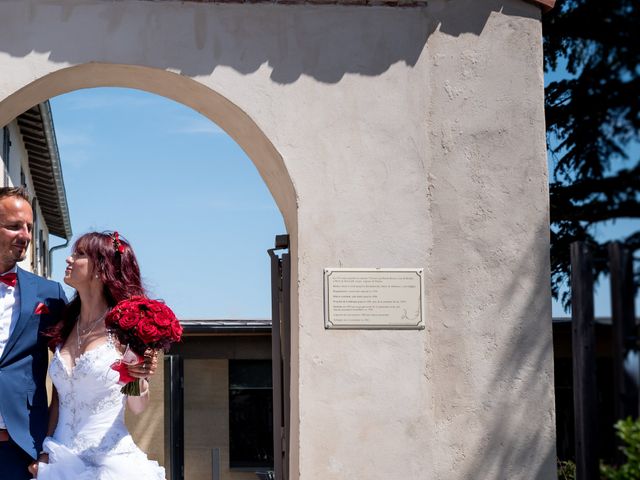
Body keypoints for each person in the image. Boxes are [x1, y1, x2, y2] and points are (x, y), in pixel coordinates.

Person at [31, 231, 163, 479]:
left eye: (79, 254)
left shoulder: (125, 330)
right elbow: (58, 400)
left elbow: (137, 407)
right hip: (60, 461)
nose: (69, 260)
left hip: (109, 463)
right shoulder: (66, 323)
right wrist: (45, 451)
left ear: (102, 270)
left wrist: (138, 375)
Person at [0, 186, 67, 480]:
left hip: (22, 447)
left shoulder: (49, 294)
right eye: (14, 226)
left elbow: (73, 368)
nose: (26, 235)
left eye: (28, 227)